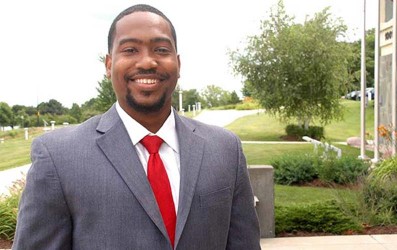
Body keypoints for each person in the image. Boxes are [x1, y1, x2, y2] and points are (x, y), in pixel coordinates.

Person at [13, 4, 260, 250]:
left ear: (178, 63)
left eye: (161, 49)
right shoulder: (59, 157)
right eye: (130, 50)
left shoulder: (226, 149)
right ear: (109, 65)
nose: (147, 62)